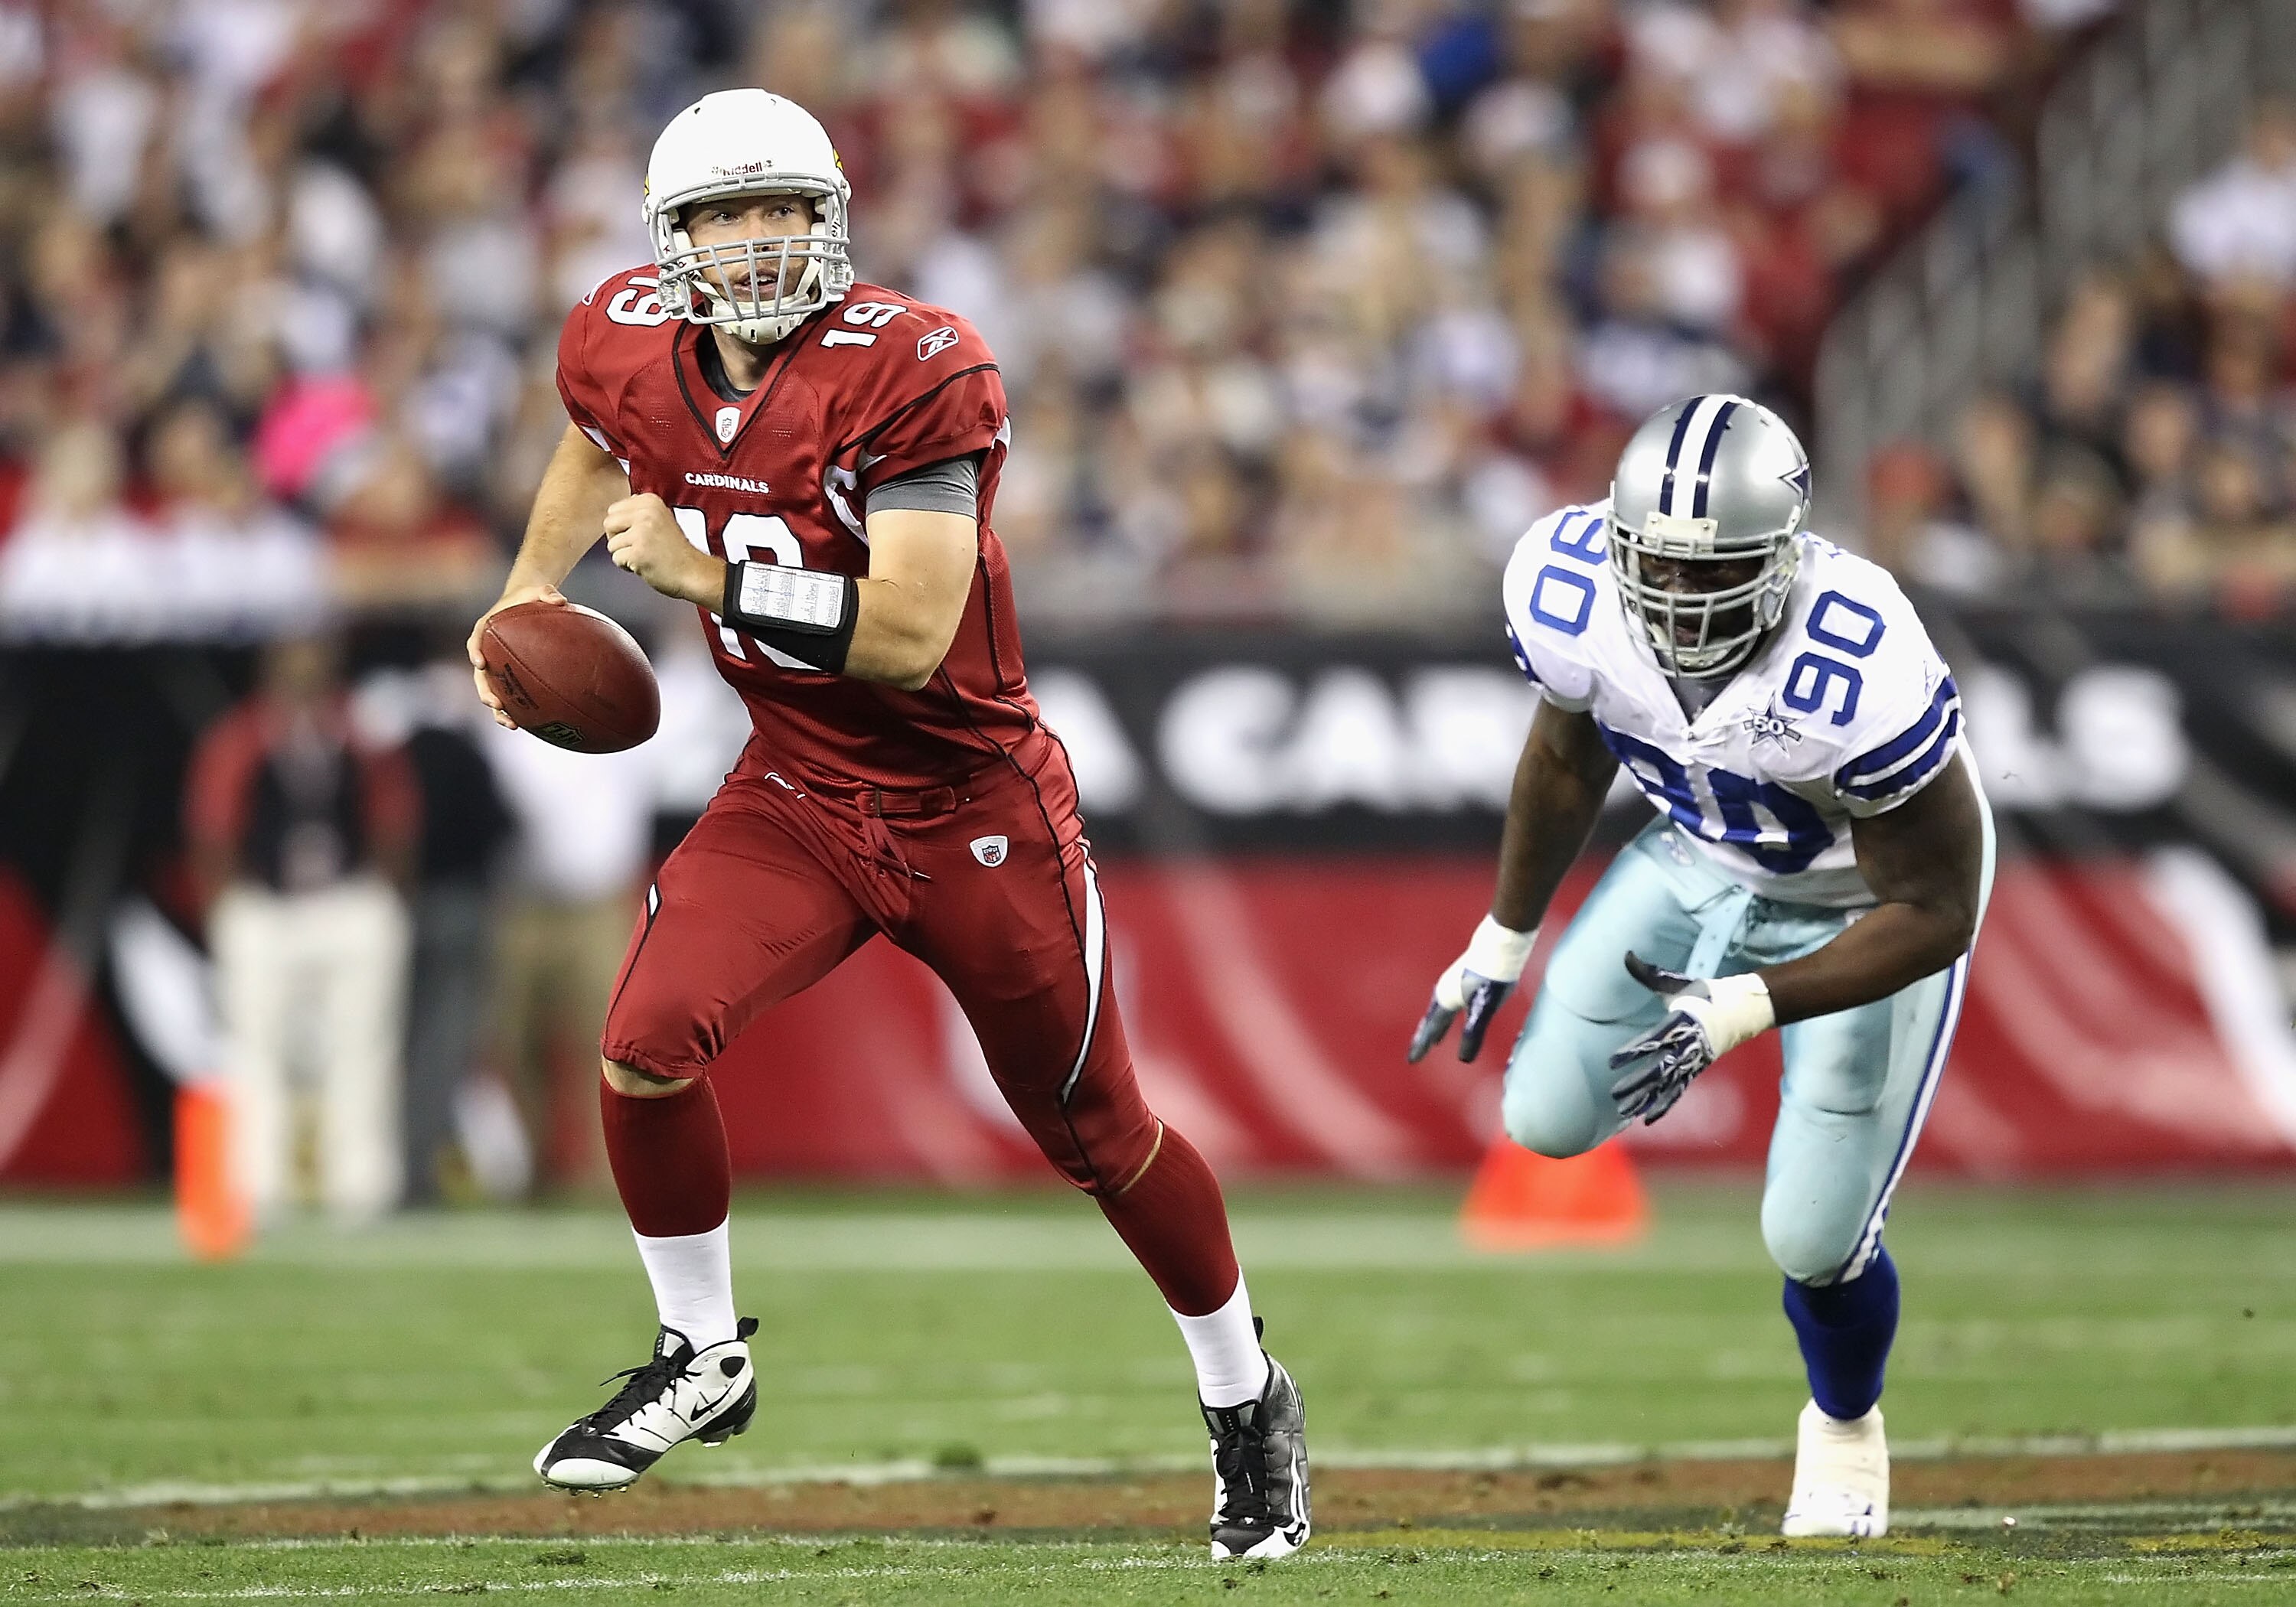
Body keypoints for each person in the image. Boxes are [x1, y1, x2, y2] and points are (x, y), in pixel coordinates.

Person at [466, 90, 1309, 1561]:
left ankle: (1247, 1399)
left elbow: (914, 631)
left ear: (832, 216)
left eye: (784, 206)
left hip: (973, 805)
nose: (759, 237)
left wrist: (706, 581)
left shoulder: (912, 366)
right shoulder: (619, 337)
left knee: (1099, 1134)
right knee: (643, 1044)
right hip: (795, 784)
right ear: (673, 240)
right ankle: (700, 1351)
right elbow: (597, 440)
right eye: (727, 213)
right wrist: (531, 593)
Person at [1410, 395, 1990, 1539]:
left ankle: (1843, 1429)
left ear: (1783, 556)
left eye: (1708, 573)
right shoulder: (1568, 585)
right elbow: (1565, 759)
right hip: (1696, 857)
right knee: (1543, 1115)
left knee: (1814, 1241)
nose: (1676, 601)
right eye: (1656, 568)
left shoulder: (1858, 656)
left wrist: (1745, 1007)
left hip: (1860, 904)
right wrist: (1502, 938)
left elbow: (1938, 907)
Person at [186, 632, 419, 1225]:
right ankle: (258, 1185)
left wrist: (385, 889)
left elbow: (395, 816)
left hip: (347, 900)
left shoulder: (358, 733)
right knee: (256, 1049)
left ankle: (361, 1186)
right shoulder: (242, 737)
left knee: (363, 1045)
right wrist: (228, 903)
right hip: (268, 905)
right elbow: (212, 825)